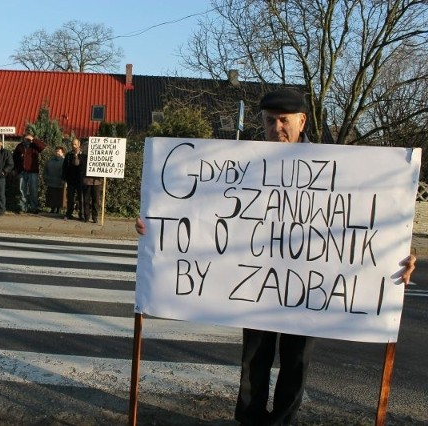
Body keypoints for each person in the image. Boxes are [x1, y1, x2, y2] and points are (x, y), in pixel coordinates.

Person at [133, 88, 417, 426]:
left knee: (296, 360)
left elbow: (375, 216)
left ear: (302, 121)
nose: (276, 128)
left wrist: (401, 252)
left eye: (284, 121)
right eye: (270, 121)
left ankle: (284, 421)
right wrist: (153, 221)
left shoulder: (339, 167)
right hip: (256, 281)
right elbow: (201, 205)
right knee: (254, 357)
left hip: (309, 284)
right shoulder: (245, 162)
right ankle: (250, 418)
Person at [12, 128, 46, 213]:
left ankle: (33, 208)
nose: (27, 139)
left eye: (28, 138)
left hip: (32, 172)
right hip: (21, 172)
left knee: (33, 190)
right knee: (22, 190)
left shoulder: (35, 146)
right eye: (26, 138)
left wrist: (33, 140)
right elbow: (14, 158)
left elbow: (43, 147)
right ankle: (23, 208)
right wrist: (15, 169)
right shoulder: (19, 146)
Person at [62, 138, 84, 221]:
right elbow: (64, 168)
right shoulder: (68, 155)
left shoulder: (83, 155)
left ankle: (81, 214)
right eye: (72, 144)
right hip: (71, 180)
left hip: (80, 180)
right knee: (70, 198)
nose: (73, 146)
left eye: (75, 144)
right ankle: (69, 213)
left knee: (81, 198)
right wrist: (64, 178)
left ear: (79, 145)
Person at [80, 141, 102, 223]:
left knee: (96, 200)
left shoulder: (100, 157)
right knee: (86, 200)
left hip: (96, 181)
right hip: (86, 181)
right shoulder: (82, 157)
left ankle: (95, 217)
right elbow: (77, 164)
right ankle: (86, 217)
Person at [43, 145, 66, 214]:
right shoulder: (50, 160)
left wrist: (64, 180)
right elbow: (45, 169)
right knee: (51, 196)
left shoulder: (64, 161)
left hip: (60, 182)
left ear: (62, 153)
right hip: (51, 181)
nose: (57, 153)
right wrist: (46, 177)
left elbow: (66, 172)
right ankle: (52, 209)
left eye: (59, 151)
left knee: (59, 196)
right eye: (56, 151)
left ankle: (58, 209)